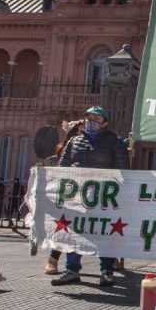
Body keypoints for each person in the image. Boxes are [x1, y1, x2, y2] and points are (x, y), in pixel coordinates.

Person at [51, 106, 129, 287]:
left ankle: (106, 270)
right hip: (77, 197)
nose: (91, 122)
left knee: (104, 232)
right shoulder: (74, 142)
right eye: (88, 118)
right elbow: (61, 169)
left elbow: (125, 170)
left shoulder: (114, 142)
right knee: (74, 231)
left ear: (105, 123)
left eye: (96, 118)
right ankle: (72, 270)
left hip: (103, 197)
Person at [43, 120, 83, 275]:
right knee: (64, 227)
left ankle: (109, 261)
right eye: (78, 131)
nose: (81, 133)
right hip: (69, 194)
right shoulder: (65, 150)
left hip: (89, 193)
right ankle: (53, 260)